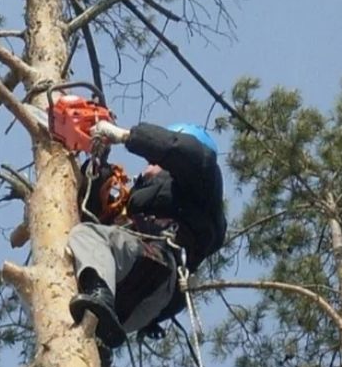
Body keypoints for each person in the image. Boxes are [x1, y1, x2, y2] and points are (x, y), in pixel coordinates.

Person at [67, 121, 226, 351]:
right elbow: (89, 214)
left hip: (155, 265)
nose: (148, 164)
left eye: (156, 160)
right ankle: (95, 351)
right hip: (137, 306)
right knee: (81, 250)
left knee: (86, 236)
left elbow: (185, 153)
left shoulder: (199, 183)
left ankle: (100, 296)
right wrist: (97, 164)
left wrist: (127, 136)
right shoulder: (136, 211)